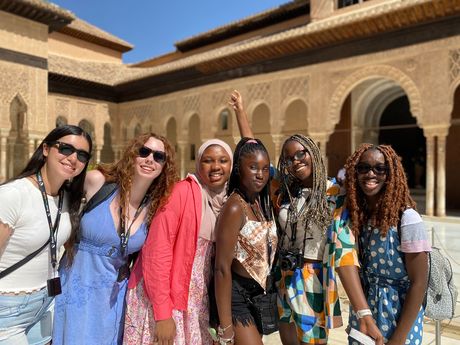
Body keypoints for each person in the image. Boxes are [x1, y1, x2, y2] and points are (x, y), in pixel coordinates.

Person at [229, 90, 383, 345]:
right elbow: (253, 151)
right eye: (289, 158)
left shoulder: (335, 193)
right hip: (283, 277)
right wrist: (240, 112)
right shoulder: (285, 190)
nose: (295, 160)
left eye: (301, 153)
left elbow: (345, 253)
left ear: (313, 152)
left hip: (314, 278)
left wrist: (363, 312)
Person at [53, 133, 178, 345]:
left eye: (159, 157)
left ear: (164, 166)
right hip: (75, 288)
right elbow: (56, 191)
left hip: (112, 299)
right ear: (133, 154)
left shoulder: (154, 208)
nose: (150, 159)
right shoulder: (99, 182)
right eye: (144, 152)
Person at [123, 139, 233, 345]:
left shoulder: (226, 202)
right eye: (208, 160)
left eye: (223, 160)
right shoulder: (181, 192)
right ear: (198, 164)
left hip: (194, 302)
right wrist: (163, 313)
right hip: (161, 299)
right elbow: (157, 251)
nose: (216, 166)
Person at [0, 125, 92, 345]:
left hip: (47, 304)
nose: (72, 158)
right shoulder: (14, 194)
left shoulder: (66, 199)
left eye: (81, 155)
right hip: (8, 309)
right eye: (65, 149)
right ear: (45, 150)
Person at [344, 144, 431, 345]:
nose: (370, 174)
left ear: (390, 173)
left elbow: (419, 283)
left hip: (399, 318)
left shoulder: (407, 219)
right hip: (365, 315)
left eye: (379, 169)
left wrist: (399, 338)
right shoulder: (360, 218)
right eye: (363, 168)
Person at [214, 137, 277, 345]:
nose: (260, 174)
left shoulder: (260, 202)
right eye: (253, 167)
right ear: (239, 169)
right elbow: (222, 268)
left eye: (265, 169)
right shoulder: (234, 207)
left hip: (258, 295)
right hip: (236, 297)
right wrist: (225, 326)